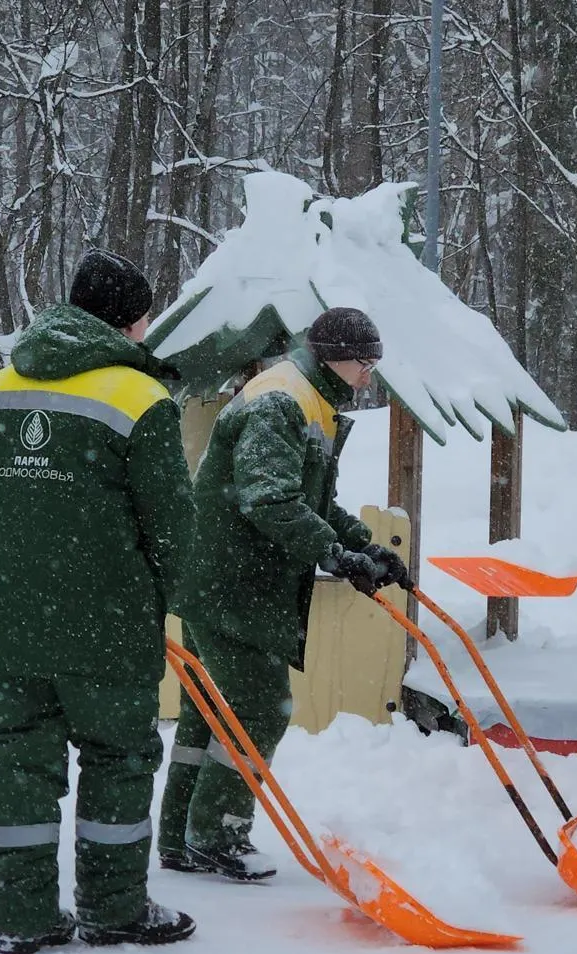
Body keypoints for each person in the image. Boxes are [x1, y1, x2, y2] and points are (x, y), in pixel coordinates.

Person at [0, 249, 197, 954]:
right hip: (108, 626)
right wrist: (166, 595)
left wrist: (25, 565)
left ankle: (23, 917)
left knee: (21, 762)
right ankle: (112, 909)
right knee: (117, 759)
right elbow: (173, 526)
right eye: (146, 317)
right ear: (125, 320)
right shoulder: (140, 397)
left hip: (11, 623)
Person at [157, 307, 410, 882]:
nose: (368, 377)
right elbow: (268, 500)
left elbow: (313, 503)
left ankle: (181, 837)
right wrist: (333, 554)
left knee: (207, 711)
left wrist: (365, 548)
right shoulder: (281, 401)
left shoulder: (307, 401)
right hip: (232, 581)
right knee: (257, 706)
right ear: (333, 357)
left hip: (222, 577)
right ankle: (217, 836)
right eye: (364, 364)